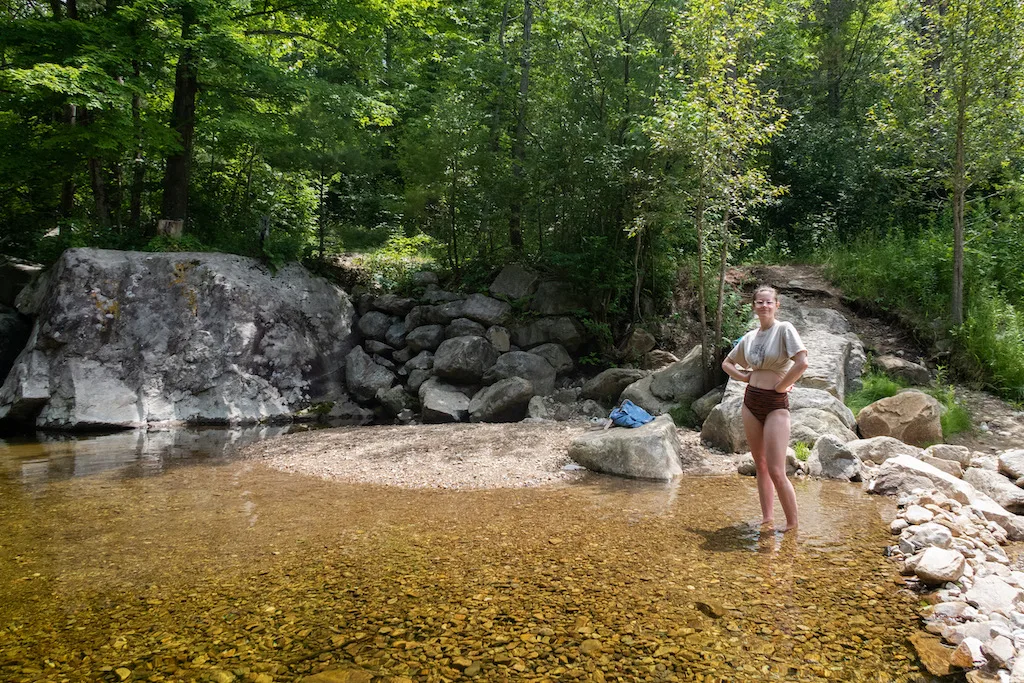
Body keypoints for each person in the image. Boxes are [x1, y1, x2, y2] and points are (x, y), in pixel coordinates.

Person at [721, 285, 808, 532]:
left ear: (776, 305)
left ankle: (792, 525)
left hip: (775, 404)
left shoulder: (784, 329)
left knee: (776, 469)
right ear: (754, 306)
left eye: (769, 302)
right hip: (751, 400)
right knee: (759, 464)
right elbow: (726, 363)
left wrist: (782, 386)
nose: (764, 306)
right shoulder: (749, 337)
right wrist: (743, 377)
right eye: (759, 302)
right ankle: (767, 519)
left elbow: (802, 363)